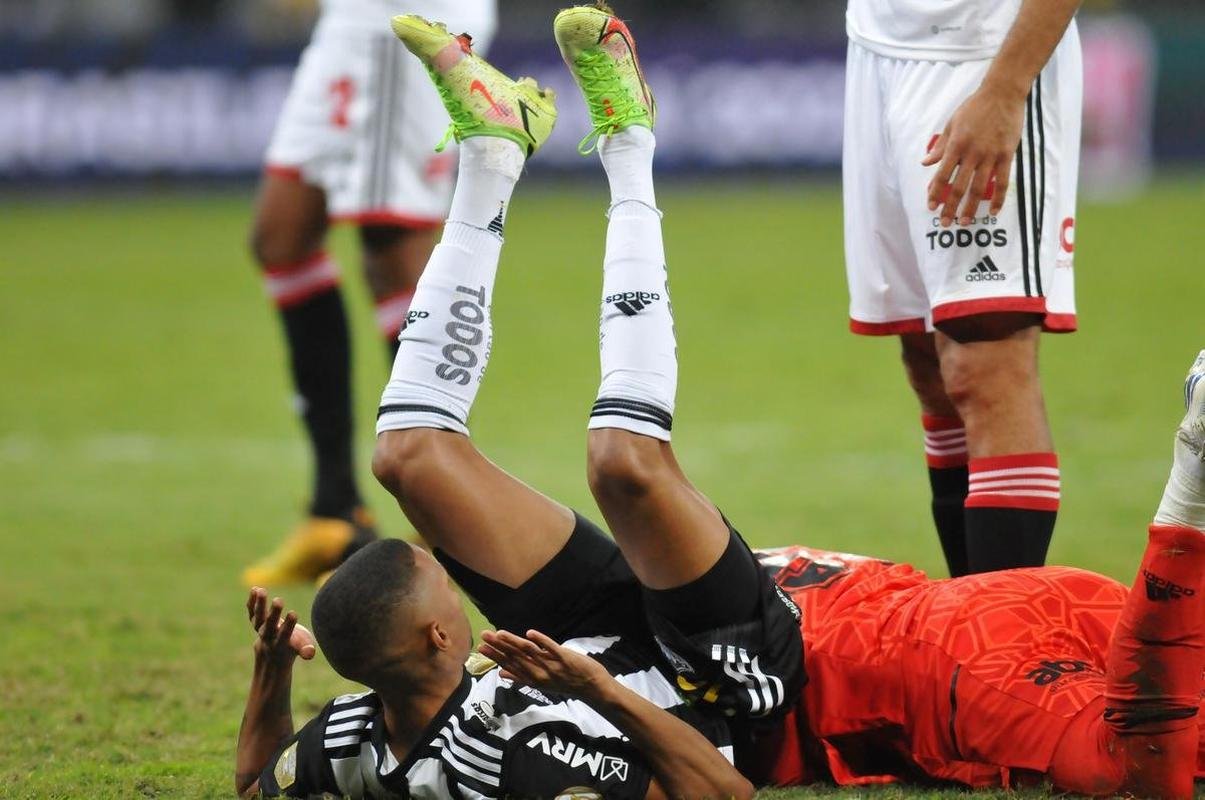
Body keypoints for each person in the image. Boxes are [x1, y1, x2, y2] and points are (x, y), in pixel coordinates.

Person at [236, 7, 1204, 798]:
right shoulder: (527, 770)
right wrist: (601, 693)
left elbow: (256, 784)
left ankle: (491, 156)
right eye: (432, 576)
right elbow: (717, 789)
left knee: (405, 460)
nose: (441, 564)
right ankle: (627, 143)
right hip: (729, 682)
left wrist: (272, 678)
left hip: (602, 641)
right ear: (437, 632)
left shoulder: (364, 741)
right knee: (622, 461)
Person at [241, 0, 496, 587]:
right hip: (348, 25)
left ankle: (447, 514)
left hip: (403, 18)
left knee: (394, 253)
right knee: (281, 239)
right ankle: (335, 510)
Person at [842, 0, 1084, 577]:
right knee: (926, 359)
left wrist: (1004, 90)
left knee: (984, 359)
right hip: (876, 52)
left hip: (981, 57)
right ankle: (966, 629)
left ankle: (1005, 647)